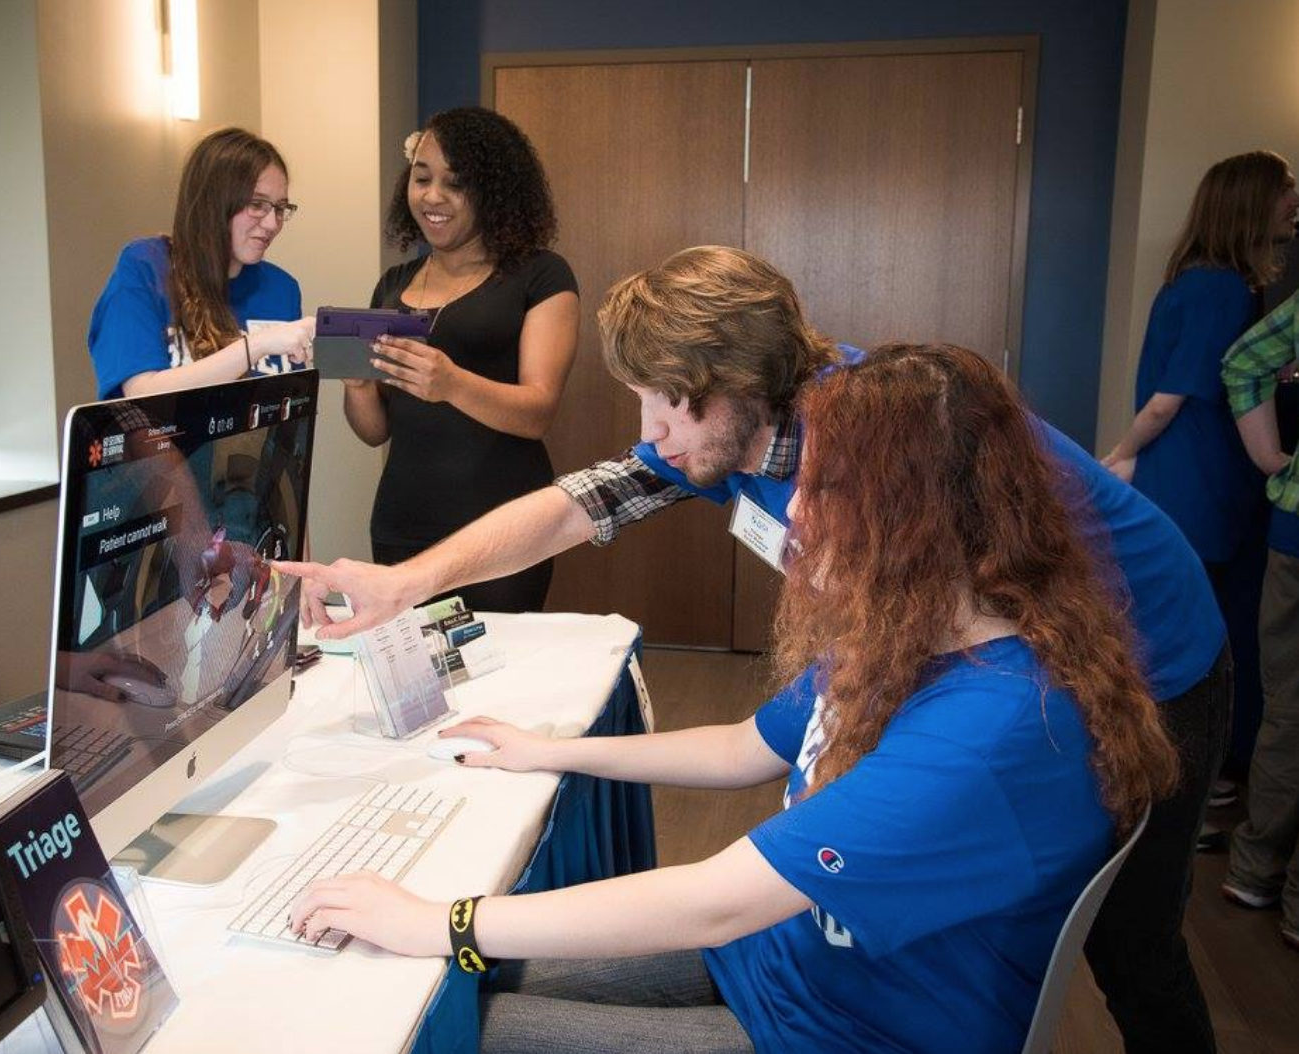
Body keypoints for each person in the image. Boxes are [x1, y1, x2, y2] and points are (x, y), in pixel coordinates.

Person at [279, 246, 1230, 1053]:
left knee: (1132, 948)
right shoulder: (875, 576)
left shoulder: (909, 452)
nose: (648, 433)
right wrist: (408, 584)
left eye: (663, 404)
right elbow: (583, 505)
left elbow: (720, 897)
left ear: (730, 393)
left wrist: (441, 921)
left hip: (1152, 664)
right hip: (856, 878)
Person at [1104, 151, 1299, 808]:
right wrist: (1122, 454)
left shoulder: (1191, 278)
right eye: (1287, 189)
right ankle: (1203, 782)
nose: (1294, 199)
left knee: (1177, 626)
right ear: (1252, 204)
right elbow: (1170, 399)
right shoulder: (1223, 288)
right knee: (1212, 636)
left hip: (1186, 480)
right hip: (1203, 485)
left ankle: (1183, 778)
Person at [341, 107, 579, 614]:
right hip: (401, 525)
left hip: (505, 527)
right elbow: (374, 432)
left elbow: (538, 412)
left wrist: (450, 383)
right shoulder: (392, 285)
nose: (432, 197)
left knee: (499, 684)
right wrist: (359, 389)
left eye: (455, 183)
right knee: (411, 684)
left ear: (492, 191)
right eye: (421, 178)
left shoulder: (541, 276)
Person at [87, 127, 314, 400]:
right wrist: (257, 346)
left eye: (280, 208)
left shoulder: (281, 288)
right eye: (257, 205)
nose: (272, 224)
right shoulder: (146, 267)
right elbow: (141, 395)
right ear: (214, 202)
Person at [1221, 288, 1299, 953]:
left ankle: (1254, 870)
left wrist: (1276, 460)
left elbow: (1245, 359)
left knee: (1287, 713)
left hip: (1292, 530)